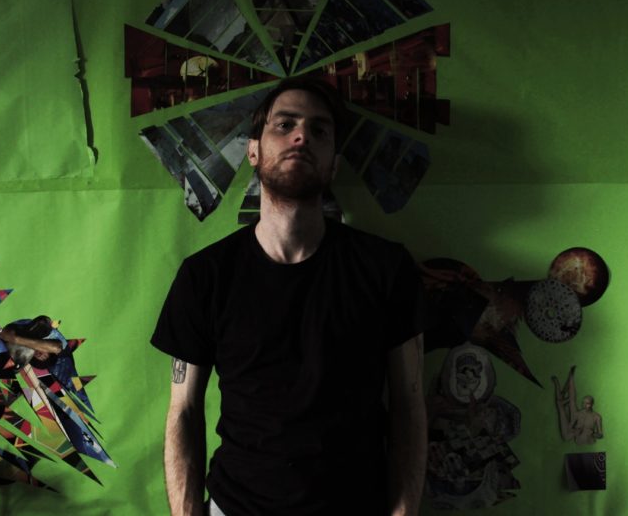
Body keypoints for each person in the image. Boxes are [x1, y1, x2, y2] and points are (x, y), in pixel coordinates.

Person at [151, 77, 427, 515]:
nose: (301, 136)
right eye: (285, 124)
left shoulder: (386, 269)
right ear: (253, 151)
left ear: (334, 165)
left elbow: (409, 405)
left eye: (319, 130)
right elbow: (183, 411)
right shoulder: (205, 276)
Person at [552, 366, 603, 445]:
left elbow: (600, 435)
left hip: (580, 437)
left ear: (591, 404)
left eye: (587, 403)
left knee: (561, 404)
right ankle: (570, 378)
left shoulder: (597, 417)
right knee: (569, 403)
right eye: (583, 403)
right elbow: (570, 426)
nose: (584, 405)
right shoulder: (579, 413)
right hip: (575, 432)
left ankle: (565, 385)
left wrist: (593, 434)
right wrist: (575, 430)